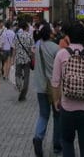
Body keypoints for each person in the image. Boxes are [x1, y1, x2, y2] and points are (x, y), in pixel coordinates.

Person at [51, 21, 84, 157]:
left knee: (67, 142)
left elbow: (55, 82)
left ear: (69, 37)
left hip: (67, 108)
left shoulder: (61, 55)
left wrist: (56, 100)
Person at [31, 22, 62, 157]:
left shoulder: (37, 47)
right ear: (50, 34)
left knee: (43, 115)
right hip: (54, 87)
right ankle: (57, 144)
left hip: (40, 86)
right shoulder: (56, 48)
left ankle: (38, 137)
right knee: (57, 116)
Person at [14, 20, 34, 101]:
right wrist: (33, 58)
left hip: (18, 58)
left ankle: (19, 87)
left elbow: (14, 47)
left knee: (17, 75)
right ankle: (23, 92)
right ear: (26, 27)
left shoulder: (17, 35)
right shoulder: (29, 36)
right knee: (26, 76)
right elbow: (32, 49)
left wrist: (12, 58)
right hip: (27, 59)